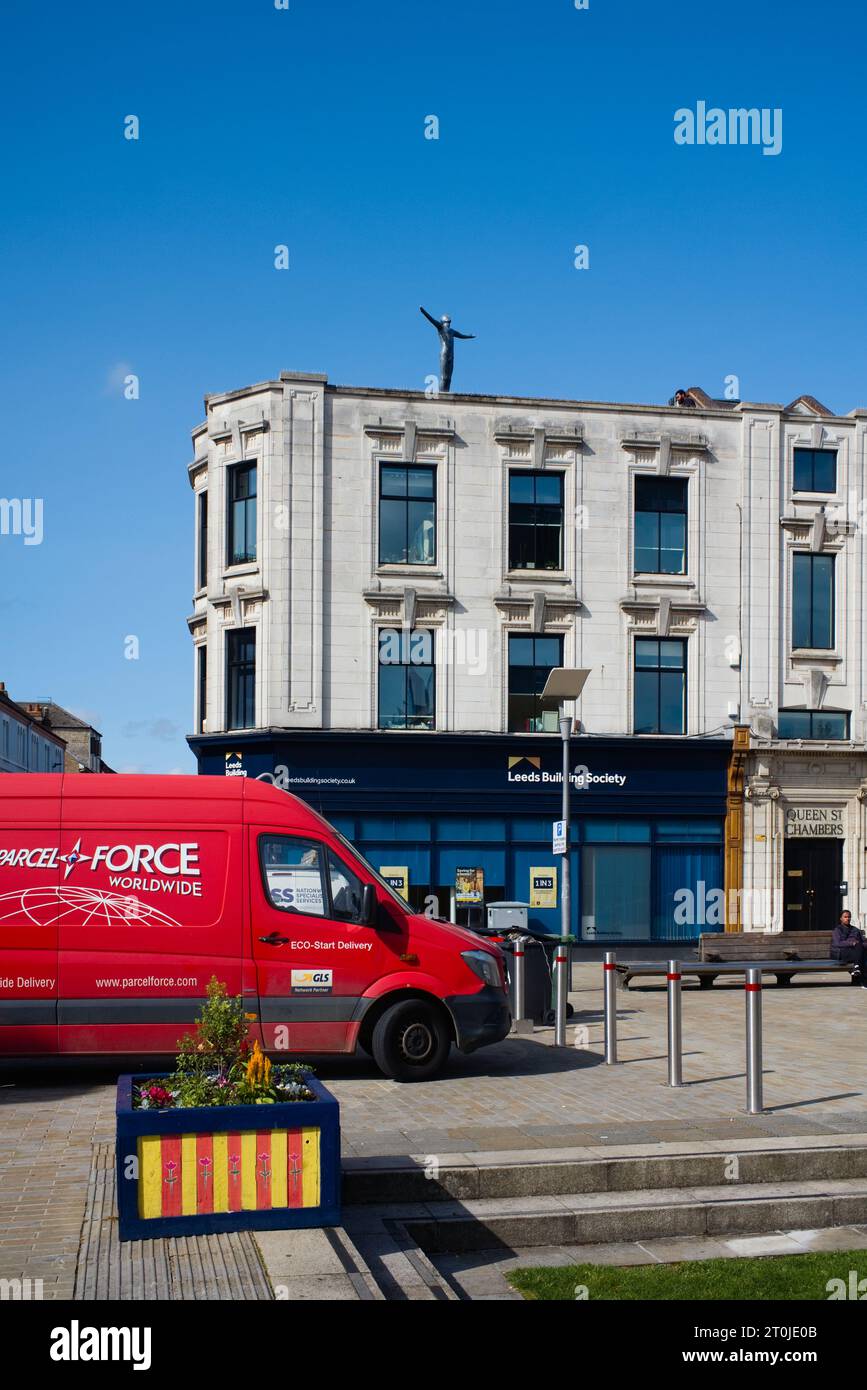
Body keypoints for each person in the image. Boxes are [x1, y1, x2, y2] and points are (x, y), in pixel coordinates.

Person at [831, 910, 867, 986]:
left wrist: (859, 944)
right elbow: (837, 943)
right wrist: (852, 943)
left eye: (849, 917)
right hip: (842, 953)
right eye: (845, 917)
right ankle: (862, 980)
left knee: (860, 947)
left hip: (856, 953)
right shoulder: (837, 930)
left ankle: (857, 970)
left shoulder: (855, 930)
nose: (848, 919)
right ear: (841, 918)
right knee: (862, 954)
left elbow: (864, 942)